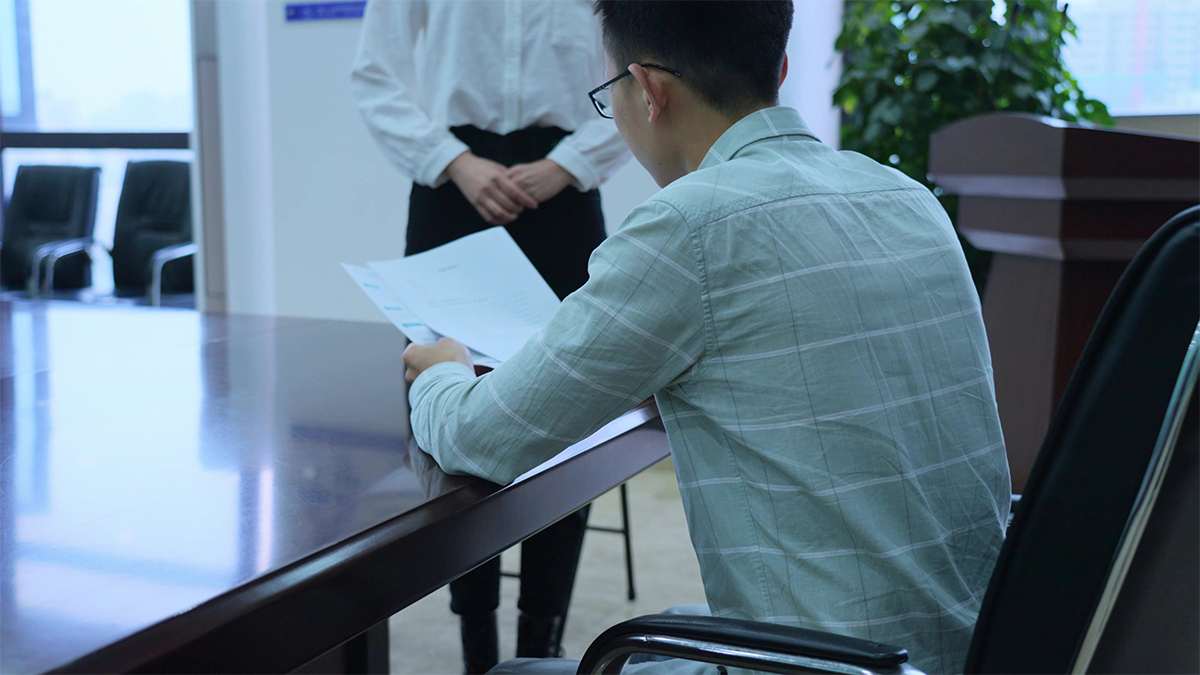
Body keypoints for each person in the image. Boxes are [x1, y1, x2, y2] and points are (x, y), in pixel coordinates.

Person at [401, 1, 1012, 673]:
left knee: (514, 673)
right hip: (970, 649)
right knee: (674, 621)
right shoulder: (907, 199)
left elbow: (479, 438)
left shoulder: (689, 226)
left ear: (649, 90)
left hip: (815, 664)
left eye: (608, 95)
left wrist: (442, 367)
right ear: (779, 67)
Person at [350, 2, 630, 672]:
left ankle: (542, 646)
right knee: (447, 411)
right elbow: (374, 74)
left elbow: (638, 73)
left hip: (562, 188)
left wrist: (569, 162)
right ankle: (475, 643)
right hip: (452, 186)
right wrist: (453, 160)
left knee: (567, 415)